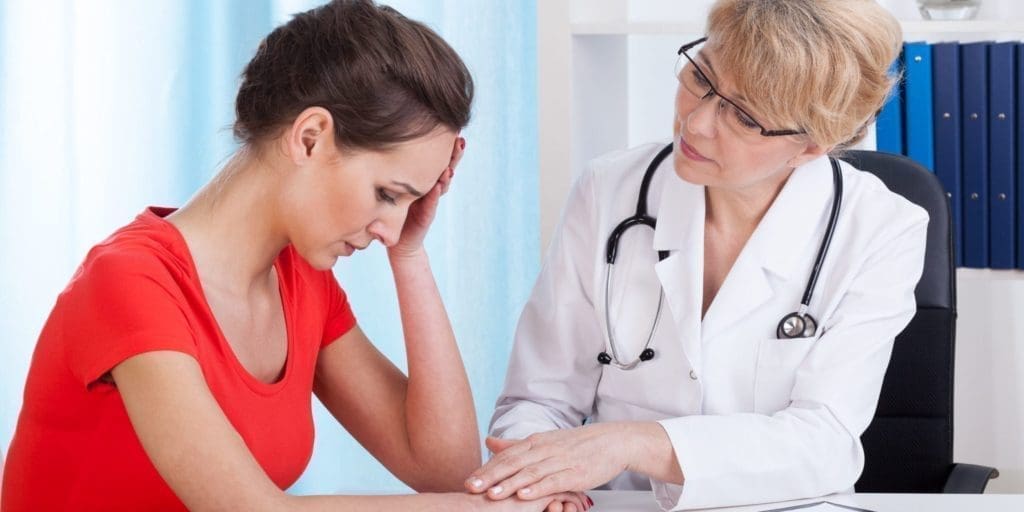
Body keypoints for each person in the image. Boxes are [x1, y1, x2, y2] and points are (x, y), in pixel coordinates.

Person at [0, 2, 583, 511]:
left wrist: (410, 255)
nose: (389, 227)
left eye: (409, 202)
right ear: (310, 137)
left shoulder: (300, 279)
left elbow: (443, 468)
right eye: (387, 194)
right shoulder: (129, 283)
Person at [467, 0, 928, 510]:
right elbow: (539, 398)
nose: (697, 121)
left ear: (812, 146)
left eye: (745, 117)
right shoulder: (609, 189)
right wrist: (539, 480)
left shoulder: (883, 228)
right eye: (702, 78)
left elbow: (826, 442)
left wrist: (633, 443)